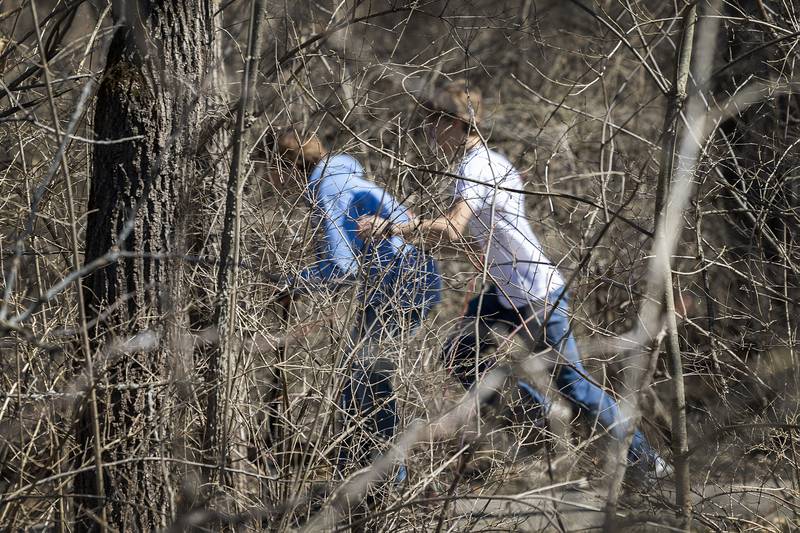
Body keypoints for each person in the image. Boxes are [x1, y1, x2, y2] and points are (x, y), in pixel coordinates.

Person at [356, 81, 671, 478]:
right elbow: (484, 233)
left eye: (433, 123)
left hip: (534, 295)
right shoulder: (490, 161)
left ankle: (648, 462)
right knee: (458, 353)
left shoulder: (476, 168)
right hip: (504, 291)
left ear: (455, 123)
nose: (430, 133)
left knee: (576, 388)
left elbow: (454, 227)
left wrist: (394, 228)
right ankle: (541, 416)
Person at [271, 129, 441, 481]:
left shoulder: (330, 188)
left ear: (285, 166)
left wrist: (291, 282)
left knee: (366, 380)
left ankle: (386, 480)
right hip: (398, 284)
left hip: (402, 285)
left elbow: (341, 266)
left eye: (268, 171)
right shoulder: (341, 178)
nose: (269, 181)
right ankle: (356, 474)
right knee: (356, 382)